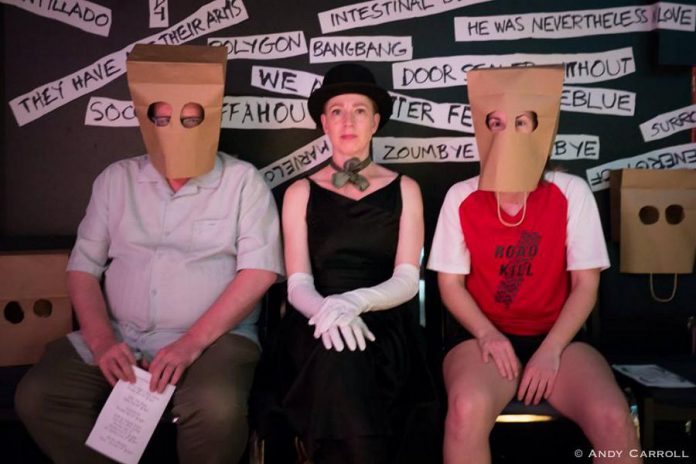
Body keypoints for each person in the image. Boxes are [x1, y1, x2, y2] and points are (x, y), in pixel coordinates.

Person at [15, 44, 284, 464]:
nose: (175, 128)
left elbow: (260, 272)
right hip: (121, 333)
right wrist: (103, 342)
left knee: (215, 408)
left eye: (192, 118)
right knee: (38, 395)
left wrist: (191, 343)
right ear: (146, 120)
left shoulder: (242, 182)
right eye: (162, 118)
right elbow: (83, 269)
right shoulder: (115, 180)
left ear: (208, 120)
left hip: (214, 341)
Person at [427, 65, 642, 464]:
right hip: (482, 340)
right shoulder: (461, 197)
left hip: (560, 337)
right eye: (496, 122)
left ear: (541, 128)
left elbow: (585, 285)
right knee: (465, 410)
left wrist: (552, 349)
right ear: (482, 128)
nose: (508, 132)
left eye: (522, 122)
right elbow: (450, 285)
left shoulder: (570, 192)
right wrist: (488, 335)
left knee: (614, 418)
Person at [249, 63, 438, 464]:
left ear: (376, 122)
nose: (348, 120)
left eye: (359, 110)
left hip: (385, 321)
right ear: (323, 122)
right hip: (313, 322)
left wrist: (356, 304)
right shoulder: (300, 191)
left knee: (350, 361)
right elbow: (297, 283)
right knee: (338, 356)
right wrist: (329, 312)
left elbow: (407, 277)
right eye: (337, 110)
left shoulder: (407, 189)